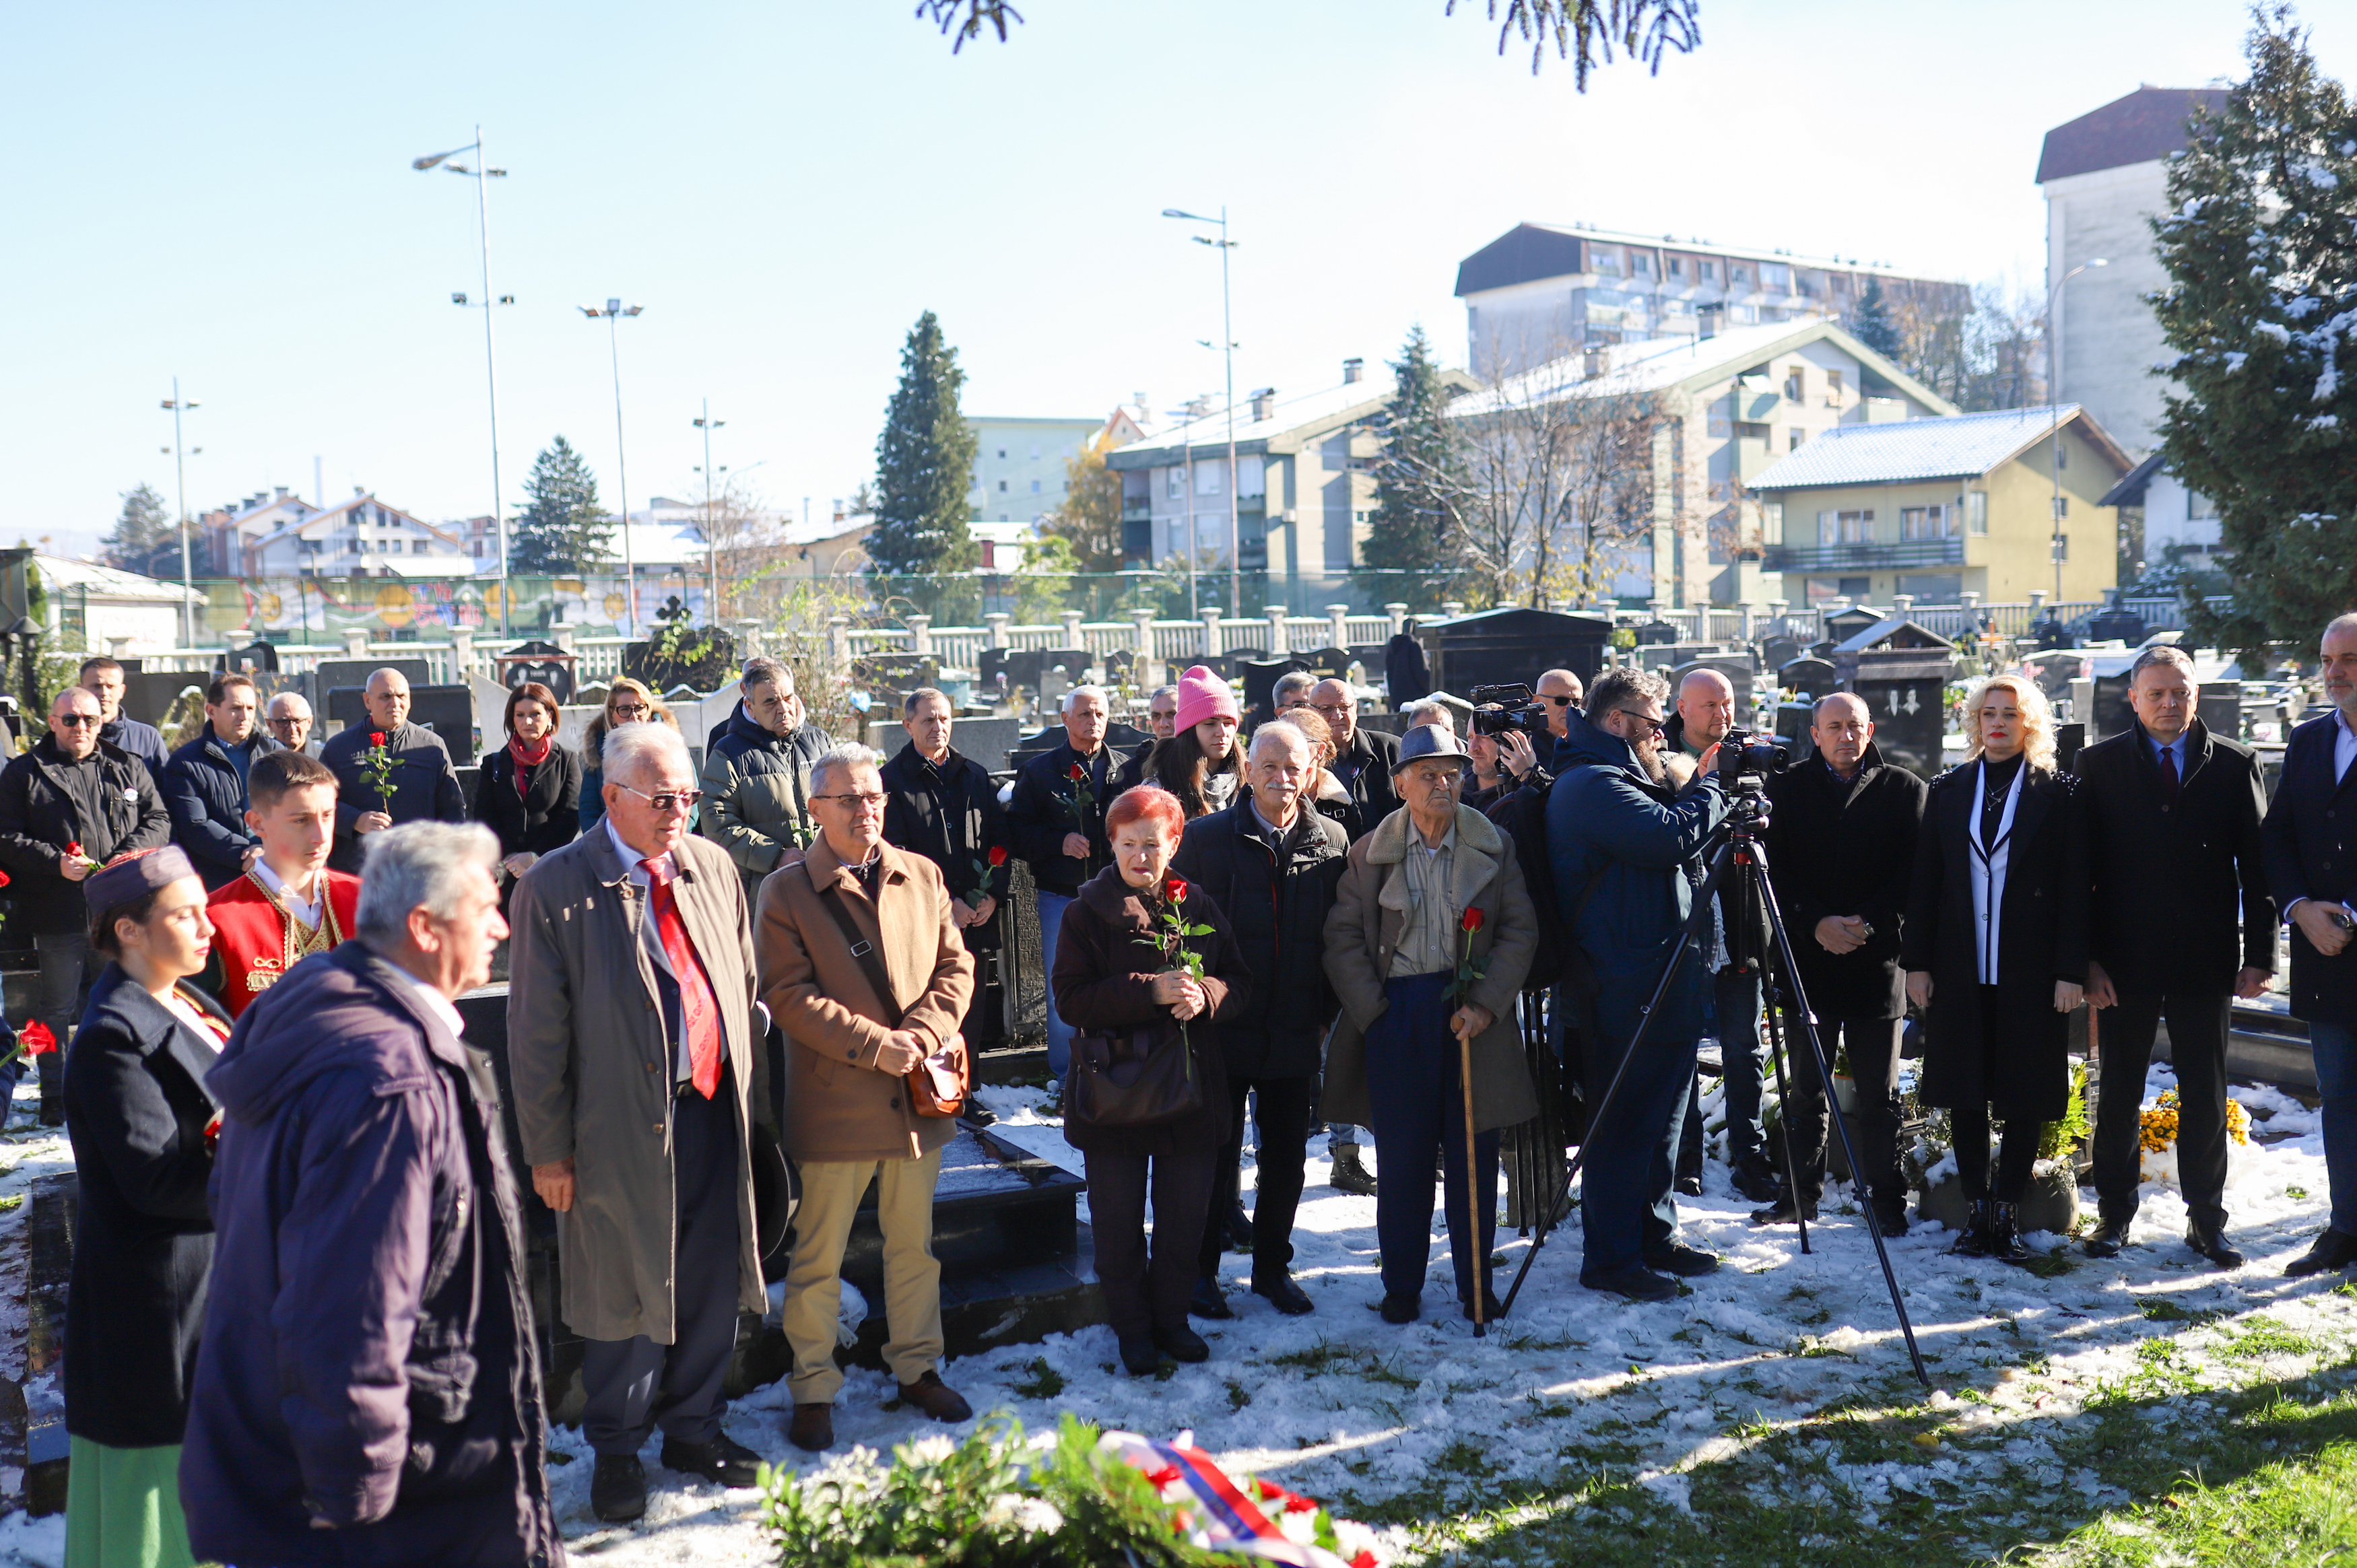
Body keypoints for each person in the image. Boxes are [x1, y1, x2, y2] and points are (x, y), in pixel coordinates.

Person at [184, 822, 560, 1567]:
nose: (500, 925)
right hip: (394, 1505)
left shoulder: (328, 1015)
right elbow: (348, 1305)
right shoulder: (386, 1080)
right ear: (423, 927)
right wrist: (354, 1499)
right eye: (483, 907)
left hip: (333, 1471)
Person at [508, 722, 768, 1520]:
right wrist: (549, 1152)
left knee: (708, 1276)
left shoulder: (712, 865)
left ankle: (693, 1425)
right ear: (613, 796)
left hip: (713, 1111)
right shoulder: (555, 887)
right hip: (615, 1130)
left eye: (689, 796)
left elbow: (741, 977)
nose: (680, 813)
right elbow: (536, 1037)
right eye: (663, 799)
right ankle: (617, 1447)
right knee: (623, 1286)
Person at [757, 742, 976, 1453]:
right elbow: (785, 995)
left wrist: (924, 1030)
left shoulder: (921, 873)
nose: (865, 810)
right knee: (818, 1257)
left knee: (914, 1248)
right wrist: (876, 1044)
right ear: (815, 809)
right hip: (835, 1102)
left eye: (874, 796)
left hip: (916, 1100)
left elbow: (955, 965)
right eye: (847, 799)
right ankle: (814, 1385)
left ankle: (916, 1366)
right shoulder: (786, 891)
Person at [1325, 724, 1539, 1324]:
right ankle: (1402, 1286)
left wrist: (1487, 1004)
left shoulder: (1493, 845)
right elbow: (1341, 939)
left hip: (1474, 1015)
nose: (1443, 784)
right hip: (1399, 1016)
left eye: (1452, 773)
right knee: (1403, 1161)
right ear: (1400, 785)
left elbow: (1520, 931)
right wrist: (1375, 1011)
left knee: (1475, 1158)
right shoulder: (1368, 852)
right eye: (1428, 774)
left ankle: (1476, 1284)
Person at [2078, 646, 2273, 1267]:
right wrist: (2086, 960)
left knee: (2207, 1091)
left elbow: (2259, 870)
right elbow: (2077, 874)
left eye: (2180, 692)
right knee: (2119, 1092)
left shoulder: (2236, 764)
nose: (2169, 703)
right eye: (2156, 693)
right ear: (2133, 698)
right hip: (2122, 962)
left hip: (2205, 957)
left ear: (2197, 694)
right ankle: (2113, 1216)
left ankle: (2206, 1221)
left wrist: (2260, 954)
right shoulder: (2098, 765)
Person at [62, 846, 228, 1568]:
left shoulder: (185, 997)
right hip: (156, 1309)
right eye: (185, 914)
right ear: (128, 930)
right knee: (156, 1510)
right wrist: (276, 1172)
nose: (207, 927)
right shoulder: (110, 1038)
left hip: (207, 1289)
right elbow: (157, 1181)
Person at [1548, 668, 1730, 1301]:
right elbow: (1664, 839)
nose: (1663, 735)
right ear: (1619, 722)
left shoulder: (1627, 777)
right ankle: (1612, 1258)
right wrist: (1712, 788)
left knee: (1663, 1120)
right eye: (1656, 724)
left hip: (1663, 978)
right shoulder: (1591, 784)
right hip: (1621, 987)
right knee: (1623, 1126)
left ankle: (1655, 1234)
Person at [1054, 785, 1249, 1373]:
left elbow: (1239, 981)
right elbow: (1070, 998)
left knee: (1184, 1217)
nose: (1143, 855)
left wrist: (1207, 995)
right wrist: (1151, 990)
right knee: (1116, 1220)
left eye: (1154, 843)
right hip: (1116, 1090)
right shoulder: (1086, 911)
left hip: (1189, 1091)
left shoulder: (1197, 906)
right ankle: (1133, 1328)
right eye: (1130, 843)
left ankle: (1171, 1319)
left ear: (1175, 843)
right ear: (1111, 843)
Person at [1903, 675, 2090, 1266]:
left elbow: (2075, 889)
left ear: (2030, 721)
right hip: (1960, 966)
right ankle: (1976, 1210)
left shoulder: (2059, 793)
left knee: (2023, 1092)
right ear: (1976, 723)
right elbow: (1925, 883)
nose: (1999, 722)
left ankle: (2007, 1210)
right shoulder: (1949, 788)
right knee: (1964, 1088)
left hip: (2031, 971)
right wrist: (1917, 963)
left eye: (2011, 712)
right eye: (1989, 712)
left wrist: (2069, 970)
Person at [1170, 722, 1348, 1319]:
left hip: (1296, 1024)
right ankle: (1200, 1274)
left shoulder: (1331, 839)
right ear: (1250, 772)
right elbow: (1181, 931)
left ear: (1311, 770)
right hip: (1226, 1026)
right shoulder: (1204, 839)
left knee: (1287, 1158)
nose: (1282, 778)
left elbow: (1336, 936)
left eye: (1293, 767)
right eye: (1269, 766)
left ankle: (1272, 1267)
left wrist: (1324, 1013)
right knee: (1215, 1154)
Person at [1758, 693, 1927, 1233]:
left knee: (1879, 1093)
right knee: (1807, 1089)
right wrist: (1816, 923)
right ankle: (1798, 1196)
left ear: (1870, 728)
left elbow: (1914, 873)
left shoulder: (1903, 788)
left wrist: (1866, 923)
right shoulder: (1784, 790)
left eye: (1855, 726)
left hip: (1876, 965)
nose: (1846, 736)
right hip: (1809, 962)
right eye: (1835, 727)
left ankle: (1885, 1202)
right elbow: (1773, 871)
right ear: (1815, 733)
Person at [0, 686, 172, 1123]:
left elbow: (158, 819)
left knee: (121, 997)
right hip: (58, 909)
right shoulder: (25, 772)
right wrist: (54, 862)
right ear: (53, 722)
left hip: (119, 910)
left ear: (103, 721)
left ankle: (120, 1083)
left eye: (90, 720)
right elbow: (5, 836)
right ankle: (53, 1093)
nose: (81, 728)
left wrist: (124, 858)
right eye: (71, 719)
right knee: (54, 1007)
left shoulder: (126, 766)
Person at [2262, 613, 2357, 1277]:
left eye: (2347, 659)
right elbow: (2277, 838)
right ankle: (2345, 1227)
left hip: (2344, 933)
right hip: (2324, 958)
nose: (2333, 672)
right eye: (2326, 660)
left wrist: (2347, 912)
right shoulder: (2305, 739)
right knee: (2340, 1098)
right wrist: (2299, 910)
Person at [1663, 668, 1777, 1202]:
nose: (1722, 715)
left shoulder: (1750, 754)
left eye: (1727, 703)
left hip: (1742, 914)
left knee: (1743, 1044)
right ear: (1682, 708)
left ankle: (1749, 1155)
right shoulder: (1653, 756)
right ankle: (1682, 1158)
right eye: (1709, 705)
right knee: (1681, 1043)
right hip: (1683, 923)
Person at [1276, 704, 1378, 1196]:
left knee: (1336, 1056)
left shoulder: (1339, 804)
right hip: (1282, 948)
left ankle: (1345, 1155)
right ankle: (1272, 1161)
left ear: (1319, 752)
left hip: (1331, 941)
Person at [881, 688, 1009, 1042]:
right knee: (931, 1009)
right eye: (928, 719)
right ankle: (938, 1094)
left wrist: (993, 896)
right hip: (924, 920)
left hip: (977, 915)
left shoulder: (974, 775)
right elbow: (896, 853)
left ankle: (971, 1087)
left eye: (944, 718)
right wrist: (946, 903)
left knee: (973, 1005)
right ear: (908, 725)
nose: (938, 726)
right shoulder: (890, 782)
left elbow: (998, 841)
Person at [1007, 685, 1117, 1089]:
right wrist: (1059, 843)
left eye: (1101, 714)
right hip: (1061, 896)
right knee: (1063, 987)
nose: (1094, 721)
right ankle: (1067, 1077)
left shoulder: (1122, 770)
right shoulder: (1040, 772)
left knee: (1117, 979)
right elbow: (1016, 832)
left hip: (1114, 895)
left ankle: (1111, 1065)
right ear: (1066, 718)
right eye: (1085, 713)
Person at [201, 749, 362, 1018]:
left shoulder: (367, 899)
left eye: (328, 816)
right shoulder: (215, 919)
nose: (321, 836)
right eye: (301, 820)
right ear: (257, 824)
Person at [700, 656, 829, 906]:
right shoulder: (728, 752)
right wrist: (776, 856)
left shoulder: (819, 742)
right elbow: (717, 823)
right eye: (770, 702)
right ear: (749, 707)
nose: (783, 708)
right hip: (762, 893)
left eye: (788, 698)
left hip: (822, 882)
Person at [320, 667, 467, 875]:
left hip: (419, 870)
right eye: (386, 696)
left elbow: (452, 807)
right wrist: (355, 820)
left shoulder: (431, 747)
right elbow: (319, 802)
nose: (395, 703)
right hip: (358, 872)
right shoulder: (339, 748)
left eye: (401, 696)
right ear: (367, 701)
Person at [161, 673, 279, 891]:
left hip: (276, 872)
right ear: (211, 711)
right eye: (235, 708)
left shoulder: (277, 755)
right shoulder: (185, 763)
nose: (244, 716)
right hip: (219, 880)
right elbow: (195, 826)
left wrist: (265, 851)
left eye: (250, 708)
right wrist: (248, 854)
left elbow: (294, 811)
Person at [473, 681, 582, 891]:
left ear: (550, 716)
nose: (528, 721)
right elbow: (484, 814)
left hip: (551, 871)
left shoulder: (566, 760)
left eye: (535, 714)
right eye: (520, 715)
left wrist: (535, 856)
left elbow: (570, 816)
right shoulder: (494, 763)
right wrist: (512, 857)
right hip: (505, 874)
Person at [1144, 665, 1245, 819]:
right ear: (1189, 731)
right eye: (1210, 724)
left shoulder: (1249, 782)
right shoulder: (1161, 789)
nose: (1222, 732)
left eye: (1228, 723)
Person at [580, 677, 679, 834]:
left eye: (640, 708)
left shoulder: (672, 746)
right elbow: (589, 810)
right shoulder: (598, 753)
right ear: (612, 714)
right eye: (625, 710)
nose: (633, 716)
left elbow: (688, 800)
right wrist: (608, 843)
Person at [1308, 678, 1400, 844]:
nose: (1337, 716)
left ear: (1355, 708)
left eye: (1344, 707)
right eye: (1327, 709)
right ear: (1312, 713)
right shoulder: (1303, 759)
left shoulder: (1390, 750)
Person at [81, 656, 168, 776]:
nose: (104, 693)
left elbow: (166, 787)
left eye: (110, 686)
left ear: (121, 691)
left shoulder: (147, 738)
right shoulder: (71, 737)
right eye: (96, 686)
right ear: (80, 689)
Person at [1385, 620, 1430, 707]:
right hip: (1415, 697)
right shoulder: (1413, 645)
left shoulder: (1393, 645)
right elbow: (1421, 671)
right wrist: (1429, 690)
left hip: (1397, 696)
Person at [264, 689, 321, 757]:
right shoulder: (259, 761)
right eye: (283, 722)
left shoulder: (326, 760)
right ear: (269, 724)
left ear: (309, 722)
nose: (291, 728)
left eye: (297, 721)